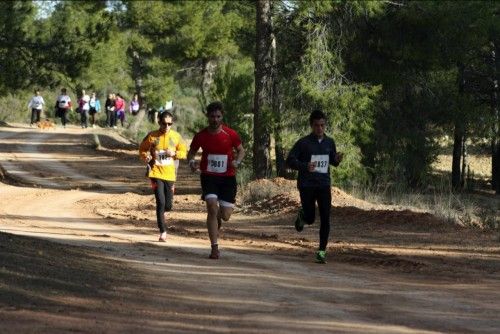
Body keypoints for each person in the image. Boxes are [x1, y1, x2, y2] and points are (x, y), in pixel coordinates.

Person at [187, 101, 245, 259]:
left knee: (225, 215)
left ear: (222, 117)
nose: (215, 119)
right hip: (209, 176)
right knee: (211, 207)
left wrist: (237, 162)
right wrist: (192, 163)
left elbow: (241, 151)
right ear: (207, 116)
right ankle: (214, 247)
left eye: (218, 116)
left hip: (227, 178)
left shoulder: (230, 134)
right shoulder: (201, 136)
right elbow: (191, 153)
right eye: (212, 116)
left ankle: (218, 216)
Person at [286, 109, 343, 264]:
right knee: (311, 218)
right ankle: (303, 216)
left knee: (326, 218)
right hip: (307, 185)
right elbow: (290, 160)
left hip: (324, 184)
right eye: (317, 125)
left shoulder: (329, 142)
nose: (320, 129)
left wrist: (337, 159)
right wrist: (305, 166)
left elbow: (332, 161)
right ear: (311, 126)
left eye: (322, 125)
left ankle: (322, 251)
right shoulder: (303, 143)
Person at [139, 111, 187, 242]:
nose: (167, 126)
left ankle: (163, 212)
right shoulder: (152, 136)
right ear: (159, 122)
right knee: (160, 202)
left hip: (170, 174)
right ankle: (163, 231)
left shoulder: (176, 136)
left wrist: (175, 153)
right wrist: (146, 156)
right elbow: (142, 149)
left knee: (168, 206)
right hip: (155, 172)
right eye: (164, 123)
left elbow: (184, 152)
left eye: (169, 123)